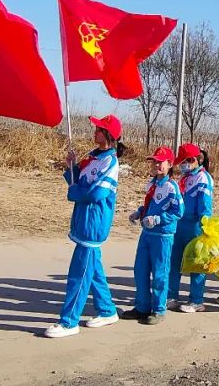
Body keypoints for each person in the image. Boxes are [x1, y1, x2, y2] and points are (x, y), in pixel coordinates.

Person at [45, 115, 125, 338]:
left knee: (79, 273)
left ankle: (69, 321)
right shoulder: (92, 156)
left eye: (99, 128)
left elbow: (98, 193)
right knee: (94, 269)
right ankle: (108, 311)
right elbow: (76, 179)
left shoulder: (110, 162)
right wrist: (71, 165)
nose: (95, 131)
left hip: (94, 221)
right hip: (83, 217)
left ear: (108, 135)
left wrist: (75, 192)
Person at [122, 147, 183, 325]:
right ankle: (142, 307)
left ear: (169, 164)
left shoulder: (172, 187)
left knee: (159, 274)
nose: (156, 165)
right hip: (147, 233)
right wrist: (139, 212)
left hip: (162, 236)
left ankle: (158, 309)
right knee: (140, 270)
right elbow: (149, 205)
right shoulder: (151, 184)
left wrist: (158, 219)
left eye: (160, 162)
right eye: (154, 161)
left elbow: (178, 211)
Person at [168, 143, 213, 314]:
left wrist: (204, 228)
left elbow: (205, 207)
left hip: (196, 225)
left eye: (184, 162)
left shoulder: (203, 178)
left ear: (193, 160)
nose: (181, 165)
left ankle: (196, 300)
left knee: (196, 264)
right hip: (180, 224)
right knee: (175, 261)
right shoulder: (185, 177)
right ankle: (171, 296)